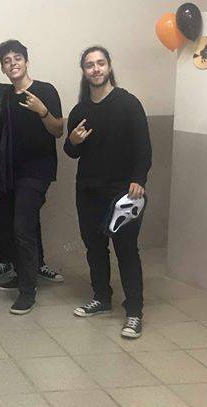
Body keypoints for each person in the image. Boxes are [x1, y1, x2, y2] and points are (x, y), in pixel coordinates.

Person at [64, 46, 151, 339]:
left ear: (109, 66)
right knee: (94, 247)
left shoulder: (128, 103)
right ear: (84, 71)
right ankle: (101, 298)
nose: (96, 69)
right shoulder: (80, 111)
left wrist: (139, 179)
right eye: (89, 65)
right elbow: (71, 151)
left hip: (123, 192)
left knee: (126, 250)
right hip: (88, 190)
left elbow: (144, 148)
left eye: (100, 63)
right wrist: (73, 141)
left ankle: (134, 312)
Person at [0, 53, 64, 284]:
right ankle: (8, 262)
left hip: (22, 166)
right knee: (1, 217)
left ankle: (36, 265)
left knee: (26, 218)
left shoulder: (10, 91)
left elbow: (45, 127)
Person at [0, 40, 63, 315]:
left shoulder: (45, 90)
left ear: (26, 62)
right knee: (11, 225)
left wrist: (42, 111)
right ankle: (23, 274)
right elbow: (0, 133)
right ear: (3, 68)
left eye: (17, 58)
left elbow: (58, 130)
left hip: (37, 171)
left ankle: (28, 291)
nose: (13, 64)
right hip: (9, 171)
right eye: (7, 61)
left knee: (22, 226)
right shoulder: (4, 96)